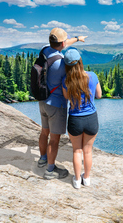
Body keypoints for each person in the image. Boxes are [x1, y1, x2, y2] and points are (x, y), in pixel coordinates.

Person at [38, 28, 87, 180]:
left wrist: (78, 38)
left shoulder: (45, 51)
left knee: (44, 132)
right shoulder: (62, 63)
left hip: (43, 100)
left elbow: (63, 44)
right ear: (62, 43)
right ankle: (50, 171)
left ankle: (43, 159)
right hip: (56, 104)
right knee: (54, 139)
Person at [61, 49, 102, 189]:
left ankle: (77, 180)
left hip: (75, 120)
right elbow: (99, 95)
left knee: (77, 151)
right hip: (91, 118)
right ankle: (87, 178)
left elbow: (66, 98)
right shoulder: (92, 76)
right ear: (80, 61)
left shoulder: (66, 81)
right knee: (88, 151)